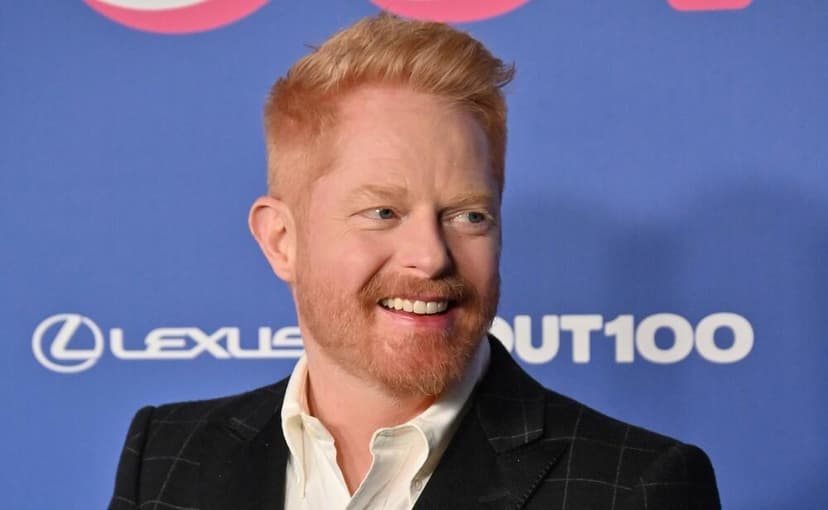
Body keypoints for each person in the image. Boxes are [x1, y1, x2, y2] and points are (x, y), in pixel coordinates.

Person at [108, 13, 720, 510]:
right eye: (383, 212)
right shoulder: (167, 457)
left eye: (469, 215)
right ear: (281, 240)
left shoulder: (635, 488)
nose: (430, 256)